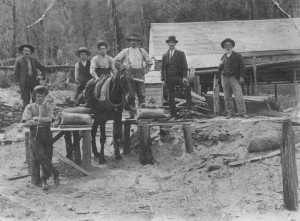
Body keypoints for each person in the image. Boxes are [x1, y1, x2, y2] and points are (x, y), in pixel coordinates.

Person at [22, 86, 60, 190]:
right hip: (35, 134)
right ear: (34, 96)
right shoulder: (29, 107)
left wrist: (37, 118)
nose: (40, 98)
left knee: (48, 156)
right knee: (40, 156)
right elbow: (28, 122)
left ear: (44, 97)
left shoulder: (47, 107)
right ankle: (55, 172)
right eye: (38, 96)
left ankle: (44, 180)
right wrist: (40, 122)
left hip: (47, 134)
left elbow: (50, 120)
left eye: (42, 96)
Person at [114, 33, 153, 119]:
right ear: (129, 42)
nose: (133, 42)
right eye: (132, 41)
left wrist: (146, 71)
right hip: (129, 76)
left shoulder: (142, 51)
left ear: (137, 42)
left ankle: (141, 113)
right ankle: (132, 113)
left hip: (140, 75)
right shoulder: (125, 51)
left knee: (141, 95)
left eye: (135, 41)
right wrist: (123, 68)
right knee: (131, 95)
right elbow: (116, 60)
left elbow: (150, 62)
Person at [218, 38, 249, 118]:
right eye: (226, 46)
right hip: (224, 78)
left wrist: (241, 76)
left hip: (234, 78)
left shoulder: (237, 56)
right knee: (227, 97)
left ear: (232, 46)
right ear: (224, 47)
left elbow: (242, 66)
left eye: (229, 45)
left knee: (239, 95)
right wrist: (219, 69)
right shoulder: (223, 57)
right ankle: (230, 113)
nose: (228, 47)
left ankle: (243, 112)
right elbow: (219, 68)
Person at [161, 36, 191, 118]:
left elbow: (185, 66)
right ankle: (173, 114)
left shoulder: (180, 53)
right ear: (168, 44)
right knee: (170, 97)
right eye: (169, 42)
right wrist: (163, 79)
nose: (171, 44)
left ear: (175, 43)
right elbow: (163, 68)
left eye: (172, 42)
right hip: (169, 78)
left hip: (178, 77)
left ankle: (189, 107)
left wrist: (184, 77)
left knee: (187, 87)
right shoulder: (165, 55)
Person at [84, 40, 117, 107]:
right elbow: (92, 70)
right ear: (99, 50)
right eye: (101, 49)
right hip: (98, 76)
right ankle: (88, 101)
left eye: (104, 48)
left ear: (106, 49)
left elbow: (114, 69)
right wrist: (96, 78)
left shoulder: (110, 59)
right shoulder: (95, 58)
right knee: (89, 84)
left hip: (108, 76)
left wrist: (115, 76)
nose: (102, 50)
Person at [14, 44, 46, 109]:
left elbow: (43, 68)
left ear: (30, 52)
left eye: (28, 51)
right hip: (24, 83)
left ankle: (36, 115)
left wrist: (41, 76)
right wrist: (17, 85)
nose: (27, 52)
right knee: (26, 100)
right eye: (25, 51)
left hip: (34, 82)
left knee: (36, 99)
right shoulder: (19, 61)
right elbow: (16, 74)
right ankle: (26, 116)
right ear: (22, 52)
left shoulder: (34, 60)